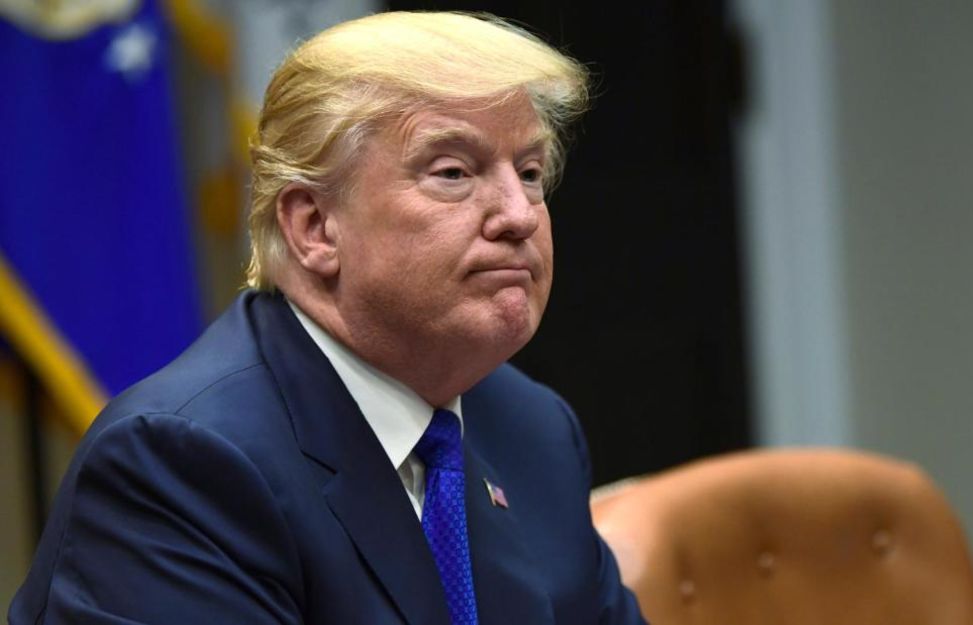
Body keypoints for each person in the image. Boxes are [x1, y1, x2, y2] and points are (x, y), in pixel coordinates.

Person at [9, 11, 646, 625]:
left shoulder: (532, 430)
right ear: (315, 227)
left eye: (530, 173)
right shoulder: (180, 466)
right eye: (453, 172)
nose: (519, 214)